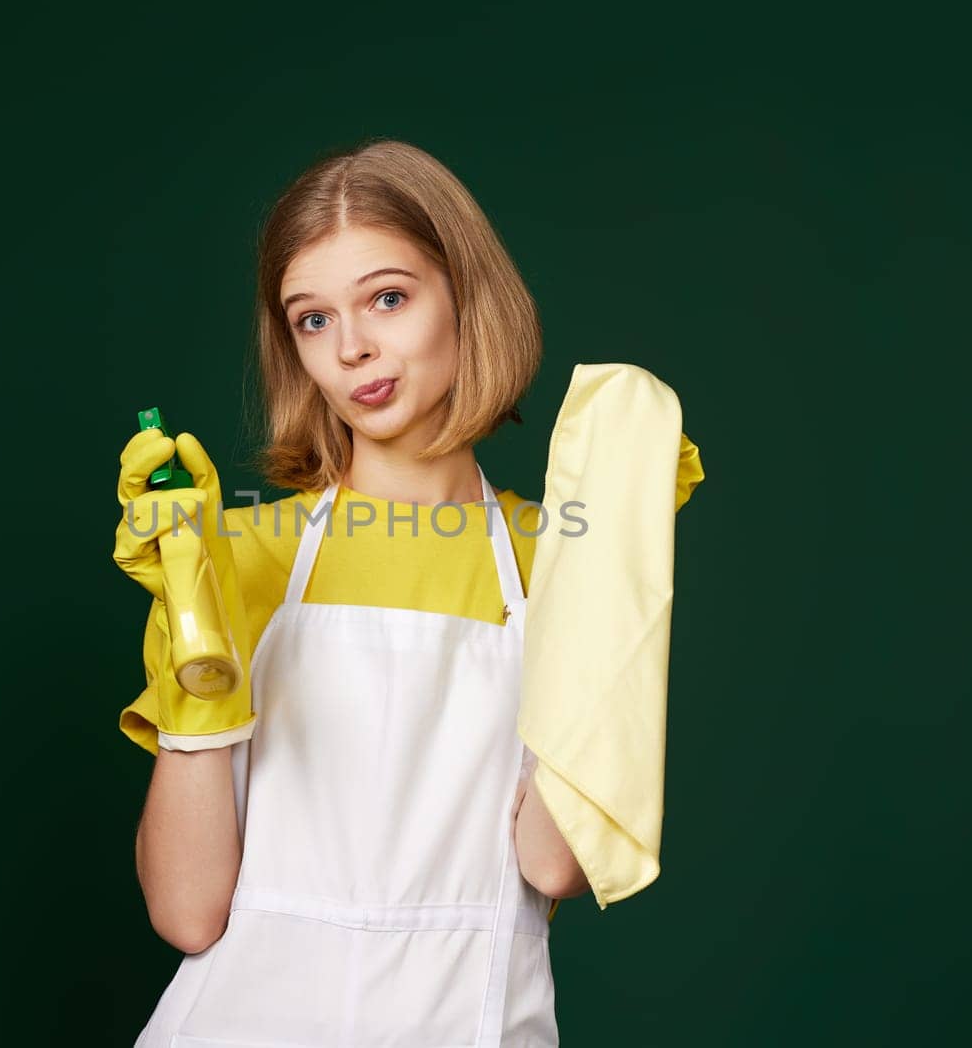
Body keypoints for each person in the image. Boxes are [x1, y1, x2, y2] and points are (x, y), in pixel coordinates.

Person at [114, 138, 704, 1047]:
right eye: (312, 319)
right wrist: (195, 619)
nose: (353, 348)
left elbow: (552, 862)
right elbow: (190, 912)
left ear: (466, 296)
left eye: (387, 297)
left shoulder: (560, 556)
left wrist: (615, 556)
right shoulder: (239, 554)